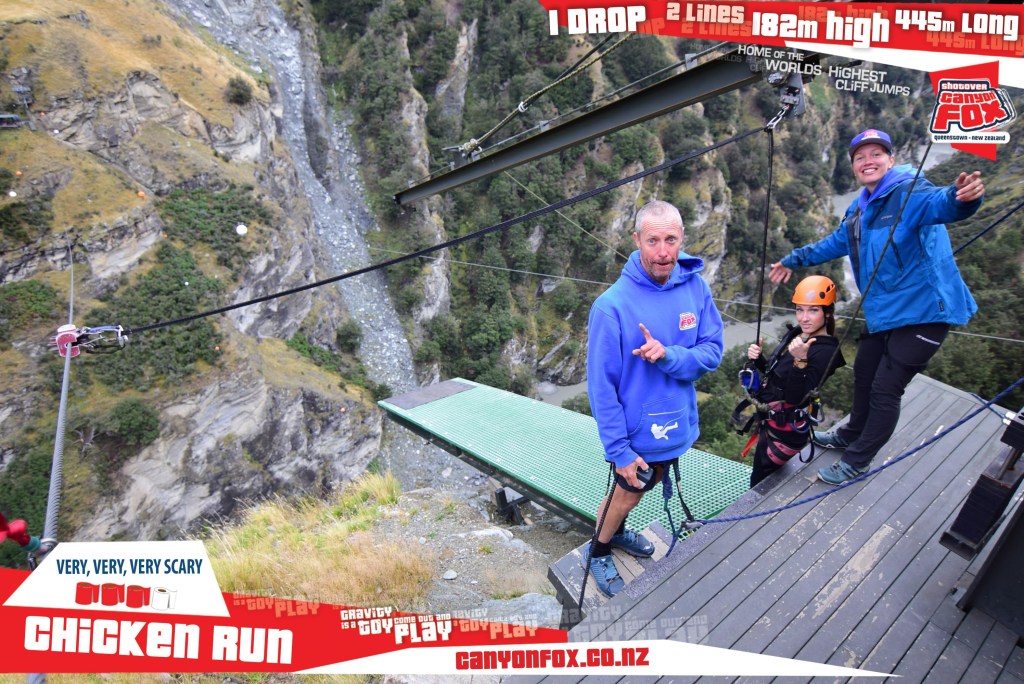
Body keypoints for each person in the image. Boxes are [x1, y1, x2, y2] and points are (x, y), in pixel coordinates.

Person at [768, 128, 985, 486]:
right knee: (865, 376)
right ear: (854, 167)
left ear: (891, 159)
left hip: (927, 313)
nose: (868, 161)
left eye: (876, 154)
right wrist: (794, 259)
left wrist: (964, 198)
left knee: (886, 388)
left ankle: (858, 460)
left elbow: (943, 203)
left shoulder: (910, 191)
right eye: (860, 157)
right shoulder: (859, 209)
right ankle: (851, 432)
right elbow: (835, 243)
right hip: (885, 312)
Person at [585, 199, 724, 597]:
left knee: (634, 493)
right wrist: (619, 451)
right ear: (636, 241)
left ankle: (616, 534)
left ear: (682, 239)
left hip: (676, 424)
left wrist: (669, 355)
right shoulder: (611, 306)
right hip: (636, 437)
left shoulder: (695, 287)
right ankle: (598, 551)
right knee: (625, 495)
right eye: (652, 241)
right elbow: (601, 387)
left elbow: (712, 352)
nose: (663, 252)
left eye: (670, 239)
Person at [742, 275, 846, 487]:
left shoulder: (827, 352)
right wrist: (759, 358)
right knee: (761, 478)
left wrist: (800, 360)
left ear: (827, 312)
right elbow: (777, 377)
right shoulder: (798, 335)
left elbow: (795, 396)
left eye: (813, 310)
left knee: (763, 484)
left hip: (785, 432)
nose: (804, 317)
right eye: (800, 309)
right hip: (771, 423)